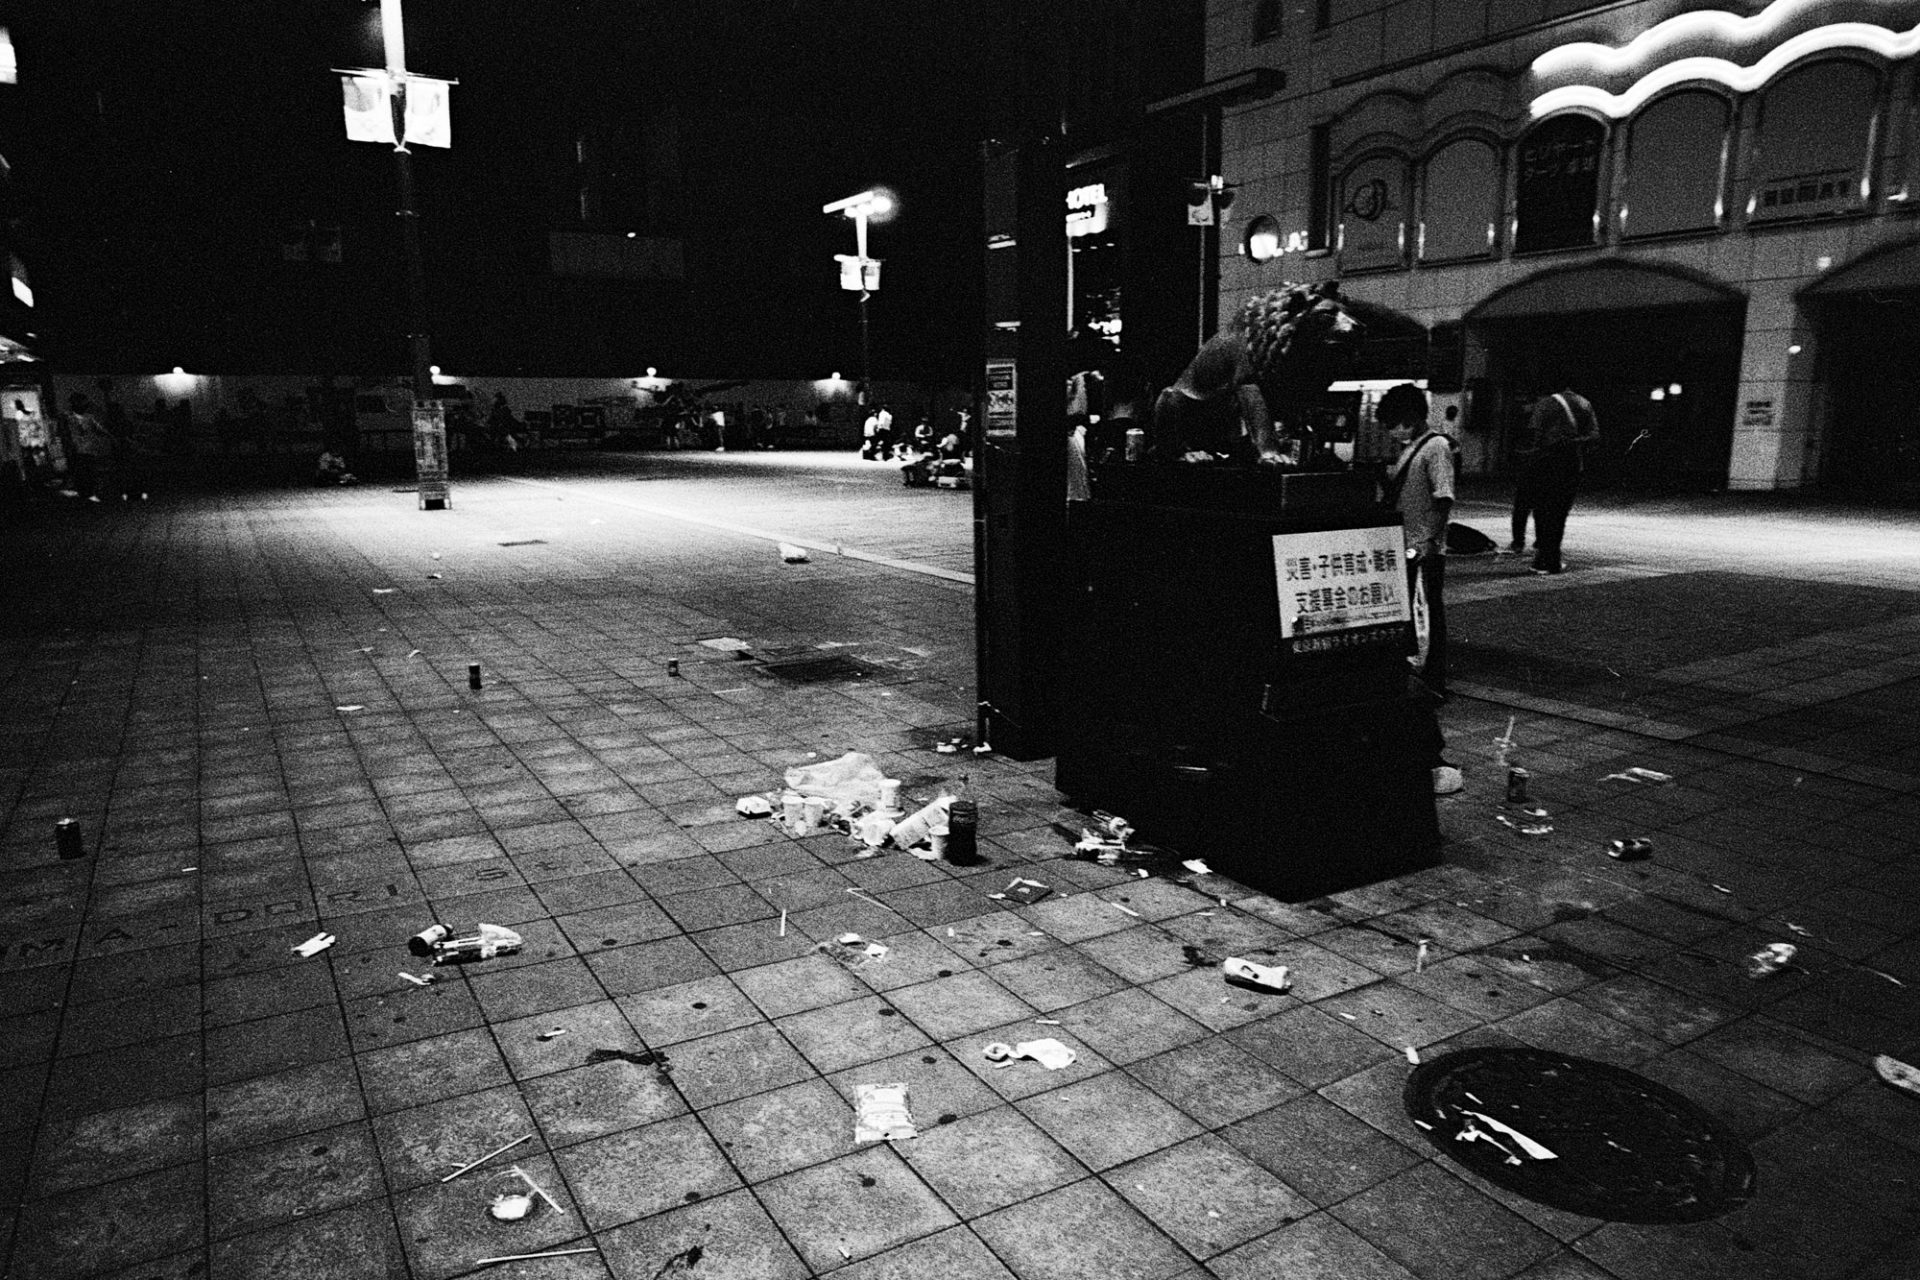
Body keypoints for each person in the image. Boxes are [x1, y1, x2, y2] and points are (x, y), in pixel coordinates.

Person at [1379, 383, 1454, 706]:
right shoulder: (1413, 447)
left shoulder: (1436, 447)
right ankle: (1416, 672)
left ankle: (1434, 679)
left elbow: (1443, 498)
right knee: (1411, 611)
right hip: (1408, 544)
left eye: (1394, 424)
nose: (1393, 431)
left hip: (1424, 547)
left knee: (1427, 614)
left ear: (1409, 418)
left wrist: (1428, 540)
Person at [1515, 371, 1599, 575]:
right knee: (1560, 513)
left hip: (1545, 464)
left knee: (1542, 511)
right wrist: (1574, 442)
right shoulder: (1584, 403)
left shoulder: (1545, 404)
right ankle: (1552, 558)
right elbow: (1595, 436)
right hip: (1571, 465)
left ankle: (1543, 558)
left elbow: (1534, 435)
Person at [63, 393, 115, 501]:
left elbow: (100, 430)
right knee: (81, 475)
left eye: (85, 403)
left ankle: (89, 495)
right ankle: (84, 495)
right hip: (76, 450)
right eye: (82, 402)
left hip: (89, 450)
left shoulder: (89, 417)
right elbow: (64, 434)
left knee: (90, 474)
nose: (85, 405)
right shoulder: (67, 417)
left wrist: (110, 435)